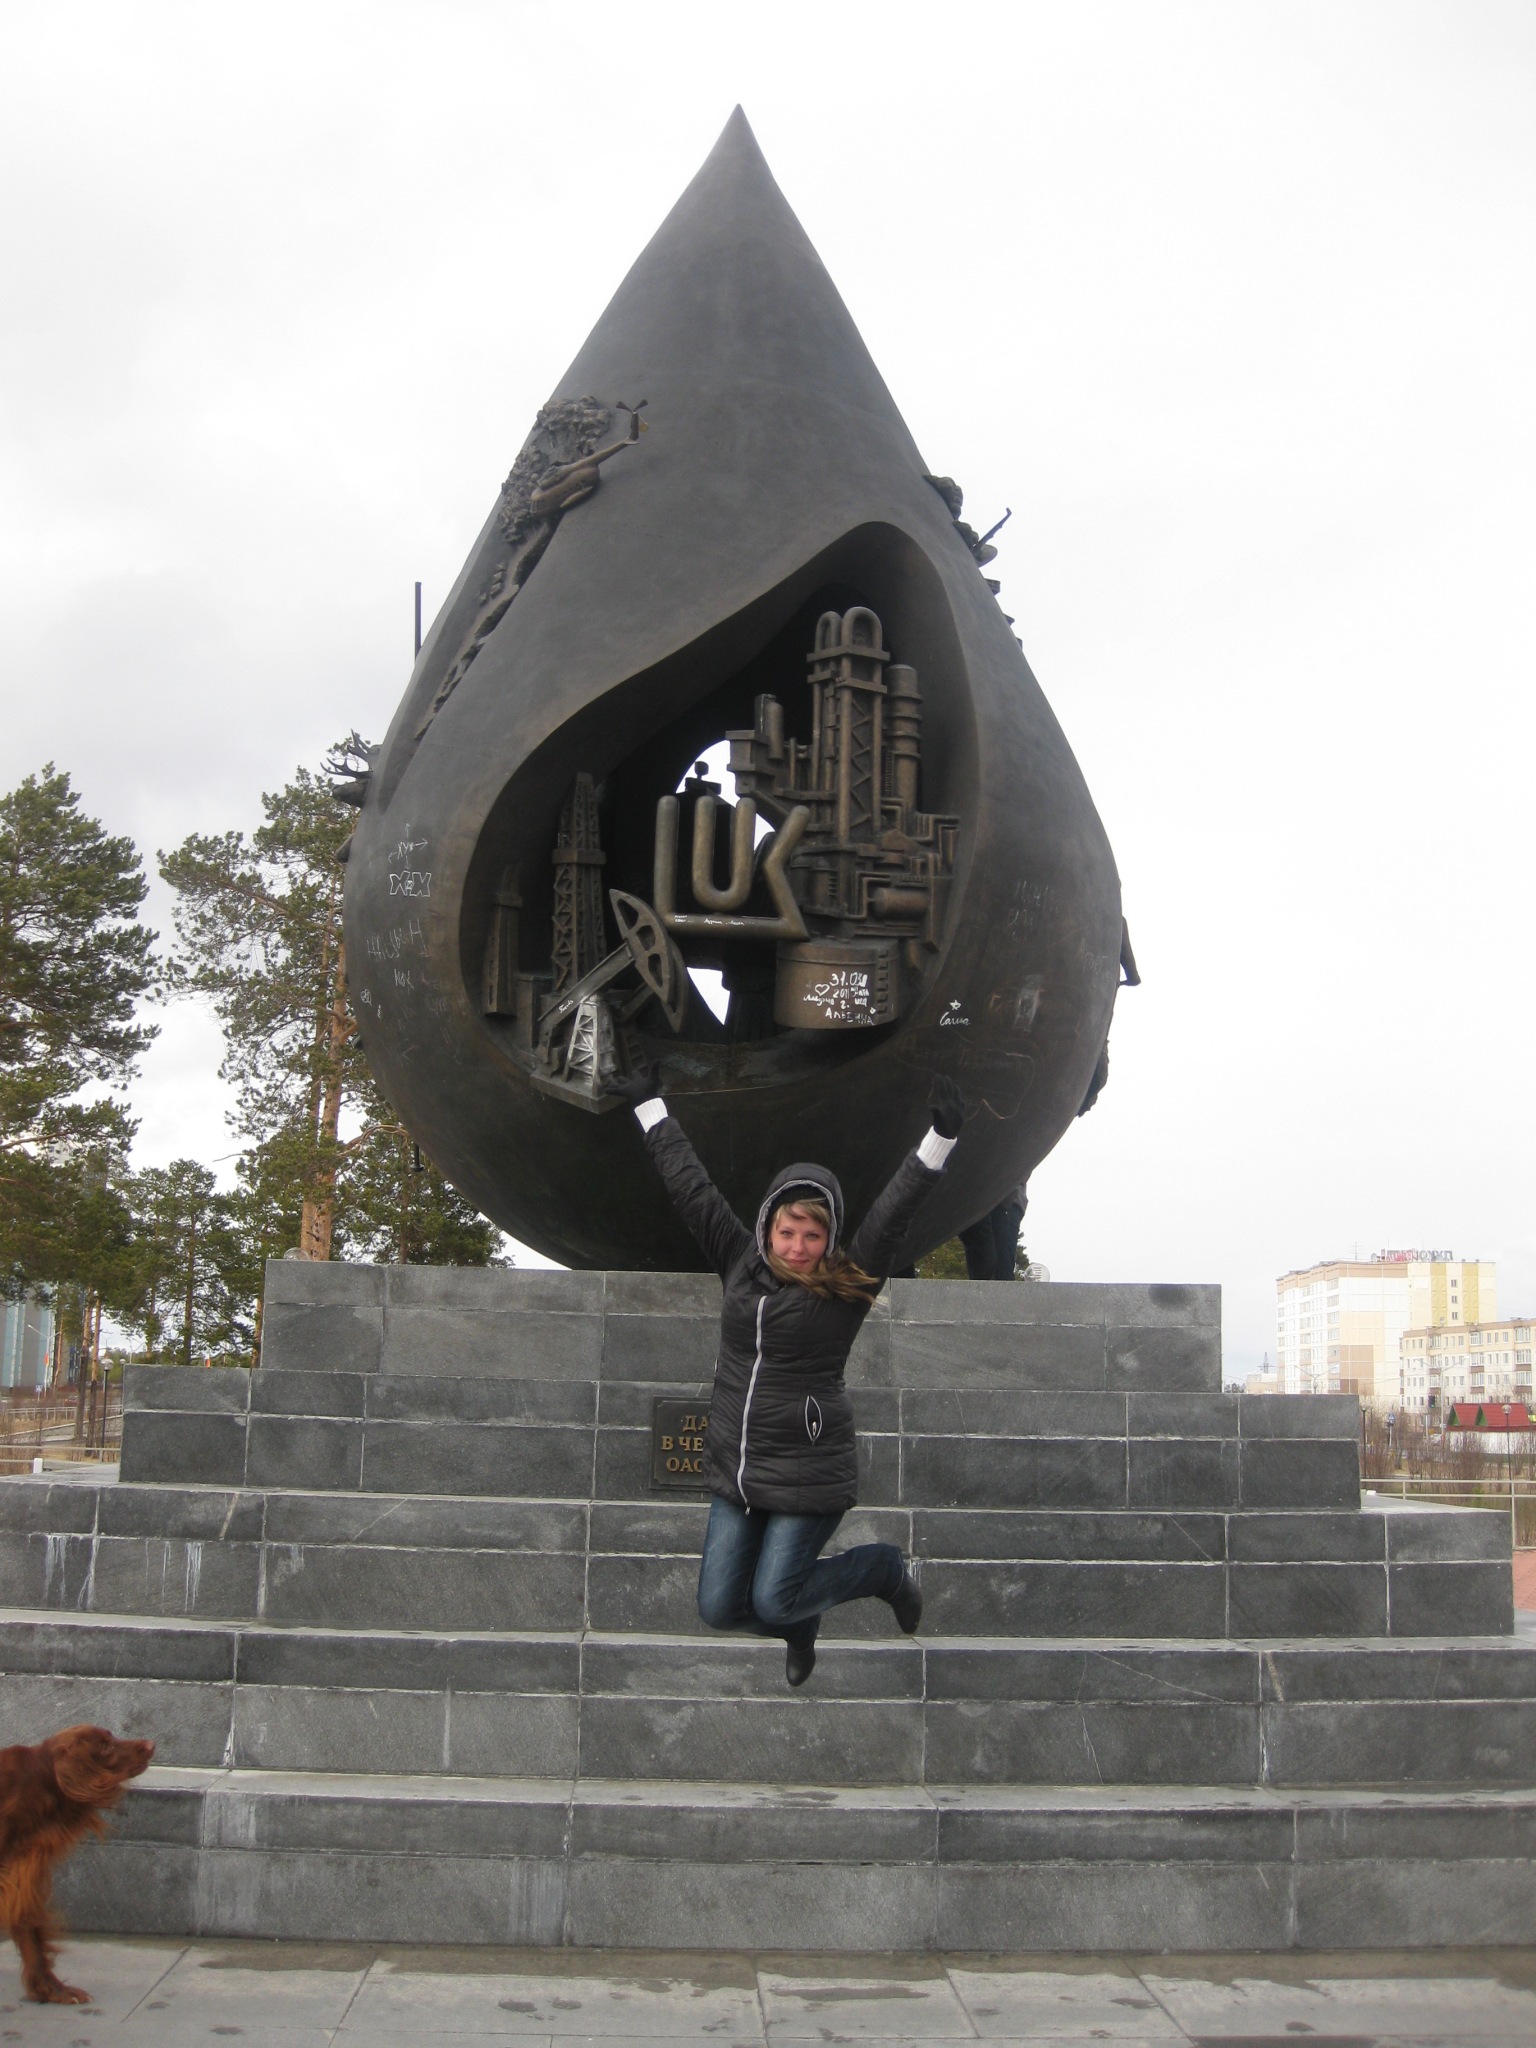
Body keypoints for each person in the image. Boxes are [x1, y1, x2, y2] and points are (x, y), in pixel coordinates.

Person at [603, 1067, 967, 1687]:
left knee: (774, 1597)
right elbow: (691, 1188)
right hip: (739, 1469)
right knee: (719, 1609)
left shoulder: (847, 1287)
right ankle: (801, 1623)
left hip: (807, 1471)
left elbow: (892, 1215)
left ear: (829, 1238)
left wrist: (940, 1139)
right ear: (768, 1227)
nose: (798, 1246)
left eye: (812, 1235)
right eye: (787, 1232)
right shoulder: (738, 1262)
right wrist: (649, 1107)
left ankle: (882, 1572)